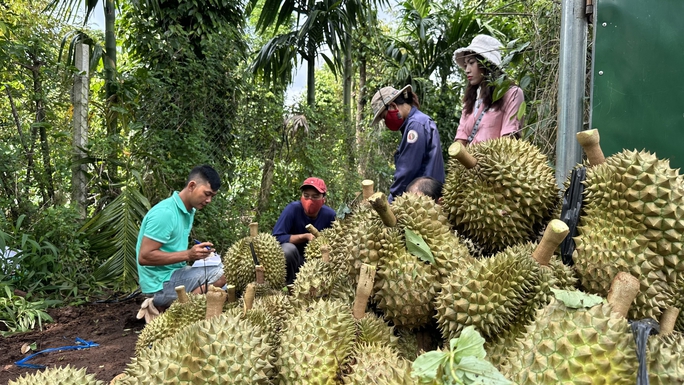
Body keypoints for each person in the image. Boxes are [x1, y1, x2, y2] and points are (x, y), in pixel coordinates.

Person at [136, 165, 226, 320]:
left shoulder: (188, 211)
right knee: (226, 273)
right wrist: (189, 254)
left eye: (212, 196)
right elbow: (144, 257)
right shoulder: (165, 213)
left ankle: (172, 307)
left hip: (174, 274)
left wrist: (199, 254)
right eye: (207, 194)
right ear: (192, 186)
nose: (209, 200)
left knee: (223, 288)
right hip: (160, 285)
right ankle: (173, 313)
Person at [370, 85, 445, 202]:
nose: (385, 123)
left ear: (393, 106)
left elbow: (407, 170)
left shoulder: (415, 125)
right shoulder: (419, 121)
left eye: (384, 118)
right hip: (428, 198)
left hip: (423, 200)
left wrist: (392, 201)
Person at [453, 34, 525, 145]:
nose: (467, 70)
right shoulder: (471, 100)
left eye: (471, 63)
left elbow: (508, 139)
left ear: (487, 64)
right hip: (466, 161)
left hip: (495, 160)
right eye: (465, 64)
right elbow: (461, 138)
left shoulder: (512, 93)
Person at [272, 177, 336, 285]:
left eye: (315, 196)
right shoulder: (292, 210)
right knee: (288, 249)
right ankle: (288, 288)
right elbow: (276, 237)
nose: (310, 200)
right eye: (306, 196)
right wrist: (305, 236)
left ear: (323, 199)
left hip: (319, 265)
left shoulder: (330, 215)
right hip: (295, 262)